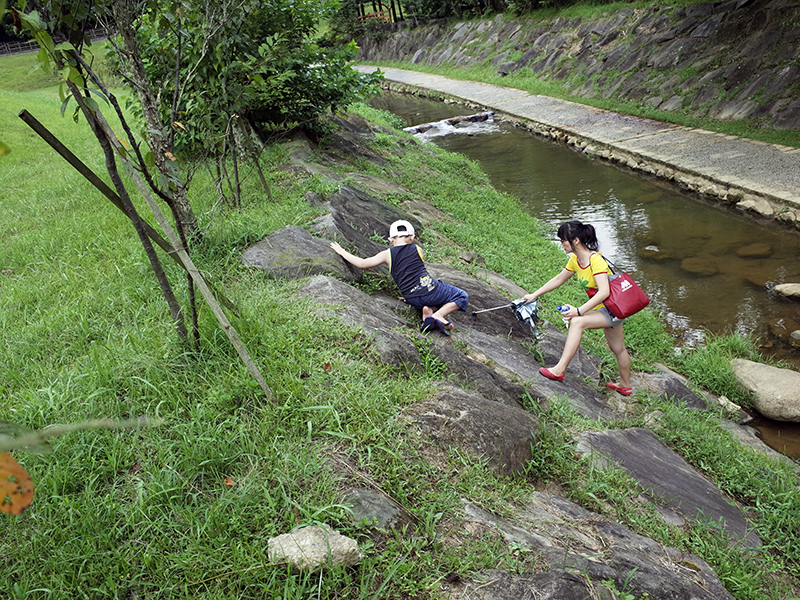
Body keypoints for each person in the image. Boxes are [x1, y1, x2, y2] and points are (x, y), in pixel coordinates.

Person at [521, 220, 632, 395]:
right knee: (618, 348)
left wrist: (579, 311)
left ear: (576, 240)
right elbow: (559, 279)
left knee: (577, 322)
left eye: (563, 240)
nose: (562, 244)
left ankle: (559, 370)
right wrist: (534, 295)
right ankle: (624, 385)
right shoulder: (575, 259)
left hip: (613, 309)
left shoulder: (596, 260)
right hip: (606, 309)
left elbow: (604, 292)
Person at [330, 220, 469, 335]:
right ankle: (438, 315)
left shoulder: (386, 254)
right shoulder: (418, 249)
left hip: (412, 297)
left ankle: (427, 311)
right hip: (429, 289)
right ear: (411, 237)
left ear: (391, 240)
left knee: (431, 297)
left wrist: (341, 251)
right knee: (461, 295)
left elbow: (362, 263)